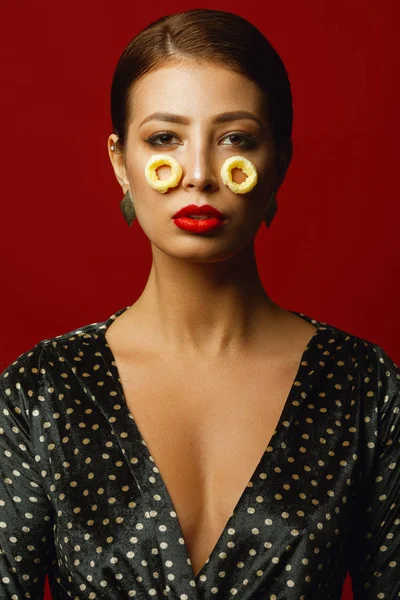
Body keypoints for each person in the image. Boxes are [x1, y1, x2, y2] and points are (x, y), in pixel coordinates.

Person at [0, 8, 399, 600]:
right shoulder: (42, 390)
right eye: (165, 138)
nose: (199, 174)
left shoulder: (365, 386)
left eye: (236, 138)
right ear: (121, 162)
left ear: (278, 162)